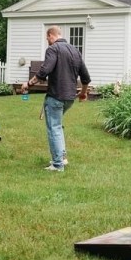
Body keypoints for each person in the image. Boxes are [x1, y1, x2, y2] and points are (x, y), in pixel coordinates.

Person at [21, 26, 91, 172]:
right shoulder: (75, 50)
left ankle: (57, 164)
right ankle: (62, 158)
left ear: (51, 35)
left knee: (54, 128)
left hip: (56, 96)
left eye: (47, 38)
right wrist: (83, 93)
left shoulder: (53, 49)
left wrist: (28, 84)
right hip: (69, 98)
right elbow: (85, 77)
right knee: (57, 126)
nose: (47, 41)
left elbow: (44, 70)